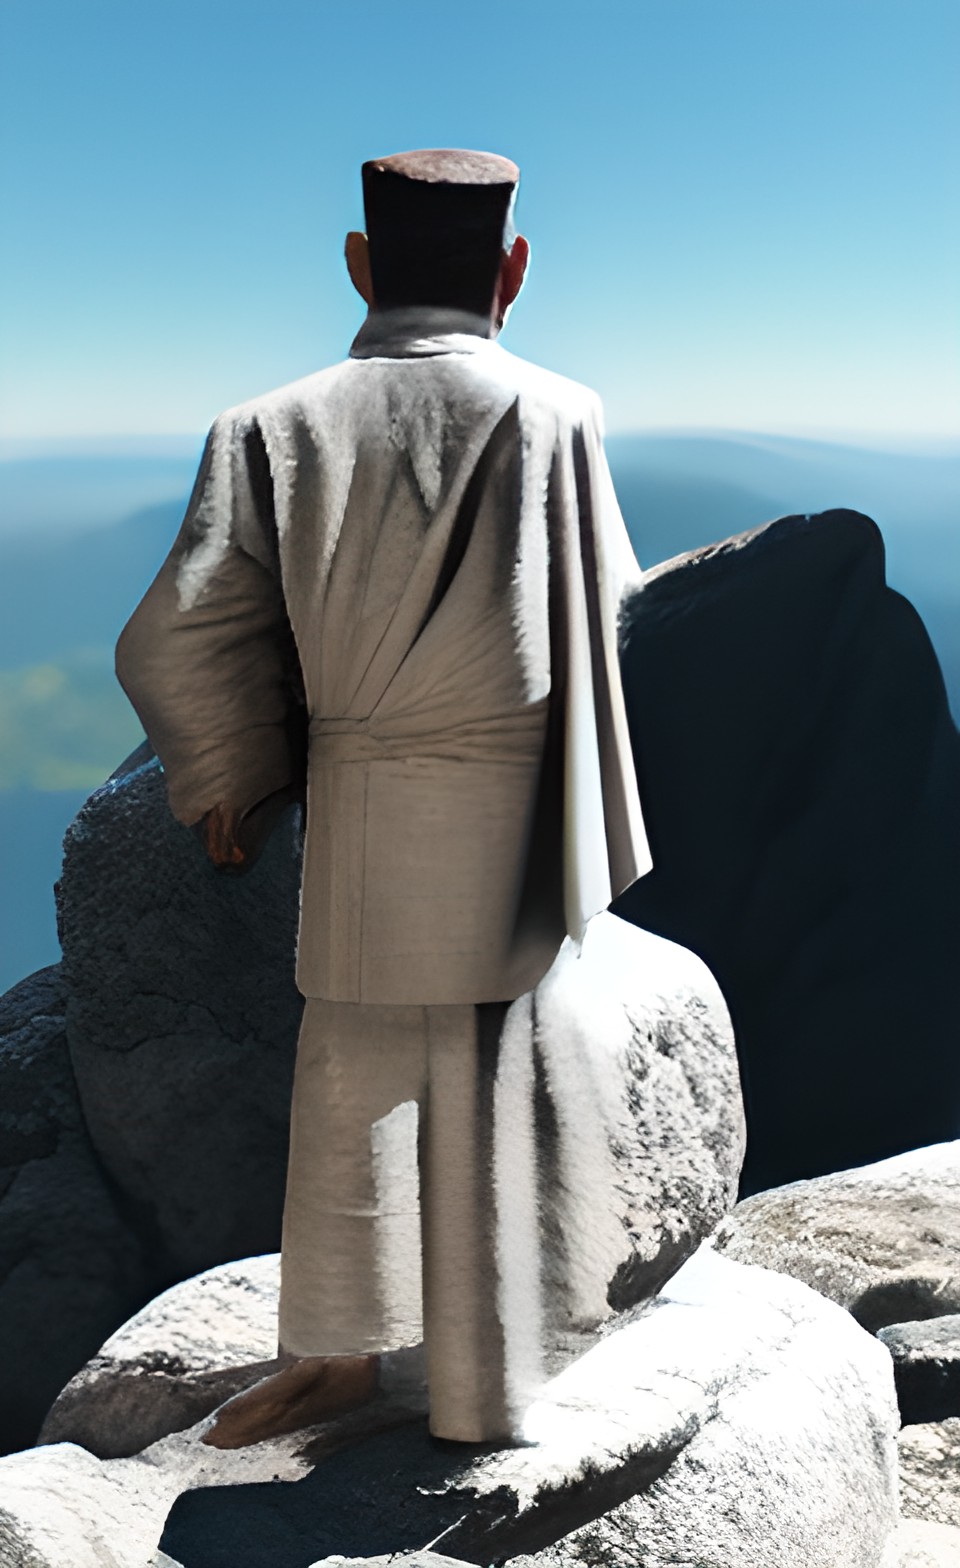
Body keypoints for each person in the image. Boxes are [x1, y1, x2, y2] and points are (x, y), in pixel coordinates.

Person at [116, 148, 651, 1446]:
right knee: (486, 1082)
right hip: (513, 817)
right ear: (513, 271)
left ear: (359, 266)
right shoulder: (564, 410)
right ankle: (487, 1385)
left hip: (358, 801)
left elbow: (174, 639)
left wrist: (234, 771)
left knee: (346, 1079)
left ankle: (334, 1362)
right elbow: (617, 607)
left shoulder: (267, 425)